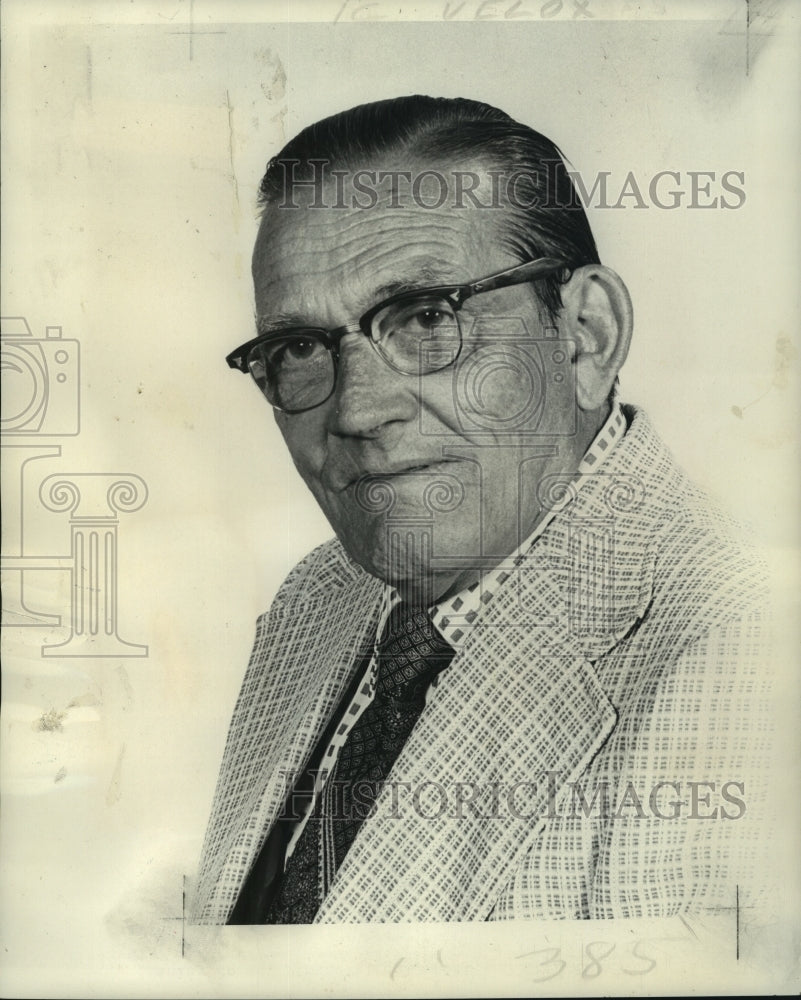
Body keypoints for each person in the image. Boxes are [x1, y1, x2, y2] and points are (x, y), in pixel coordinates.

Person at [191, 96, 774, 924]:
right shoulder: (314, 601)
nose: (358, 411)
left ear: (584, 337)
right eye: (296, 349)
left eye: (428, 318)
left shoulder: (746, 658)